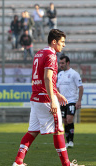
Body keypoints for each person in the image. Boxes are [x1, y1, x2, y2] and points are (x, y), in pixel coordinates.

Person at [12, 29, 84, 166]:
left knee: (32, 131)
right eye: (62, 42)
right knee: (58, 130)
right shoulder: (51, 55)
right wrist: (53, 100)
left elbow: (41, 78)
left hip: (35, 97)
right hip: (45, 99)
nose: (64, 45)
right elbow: (47, 77)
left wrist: (56, 93)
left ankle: (18, 161)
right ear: (54, 41)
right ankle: (67, 164)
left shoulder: (39, 53)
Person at [57, 55, 84, 148]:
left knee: (69, 119)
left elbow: (80, 88)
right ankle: (67, 141)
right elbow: (57, 88)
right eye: (60, 63)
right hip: (62, 102)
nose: (61, 65)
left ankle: (71, 141)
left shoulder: (74, 74)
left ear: (67, 63)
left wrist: (79, 101)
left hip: (72, 100)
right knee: (64, 121)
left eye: (62, 63)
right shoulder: (59, 74)